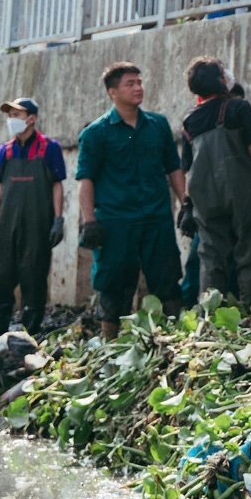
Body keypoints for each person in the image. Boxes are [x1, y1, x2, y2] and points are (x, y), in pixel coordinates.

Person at [76, 63, 187, 338]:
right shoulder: (96, 133)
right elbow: (85, 179)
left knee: (167, 279)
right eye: (130, 84)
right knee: (113, 283)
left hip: (156, 217)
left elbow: (173, 167)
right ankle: (109, 343)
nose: (138, 88)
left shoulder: (158, 125)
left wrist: (186, 203)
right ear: (112, 92)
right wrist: (89, 221)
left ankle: (177, 340)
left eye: (139, 82)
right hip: (116, 221)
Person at [180, 57, 251, 305]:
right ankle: (250, 309)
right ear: (220, 81)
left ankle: (211, 316)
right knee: (250, 252)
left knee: (211, 256)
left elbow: (187, 169)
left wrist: (187, 206)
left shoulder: (189, 120)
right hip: (243, 191)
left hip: (204, 198)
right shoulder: (238, 108)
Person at [0, 97, 65, 337]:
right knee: (2, 277)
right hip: (8, 228)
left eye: (17, 115)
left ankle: (29, 336)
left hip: (37, 227)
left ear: (31, 119)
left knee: (33, 280)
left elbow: (57, 184)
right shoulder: (5, 151)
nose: (11, 120)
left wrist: (58, 219)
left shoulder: (49, 148)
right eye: (10, 115)